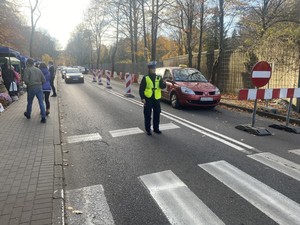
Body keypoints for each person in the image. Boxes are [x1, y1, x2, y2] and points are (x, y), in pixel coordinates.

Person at [139, 61, 166, 135]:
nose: (154, 69)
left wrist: (164, 83)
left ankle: (156, 128)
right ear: (149, 69)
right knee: (147, 114)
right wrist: (142, 98)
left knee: (157, 113)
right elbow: (141, 89)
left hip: (156, 98)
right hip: (148, 98)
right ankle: (148, 129)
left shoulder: (159, 77)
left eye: (154, 68)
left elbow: (162, 86)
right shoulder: (146, 77)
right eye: (152, 68)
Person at [23, 58, 47, 123]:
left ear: (28, 63)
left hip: (31, 88)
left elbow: (25, 80)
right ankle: (43, 117)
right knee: (41, 102)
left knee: (30, 102)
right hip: (39, 87)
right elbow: (44, 80)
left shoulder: (27, 69)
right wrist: (39, 83)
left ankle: (28, 114)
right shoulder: (38, 70)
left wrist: (29, 83)